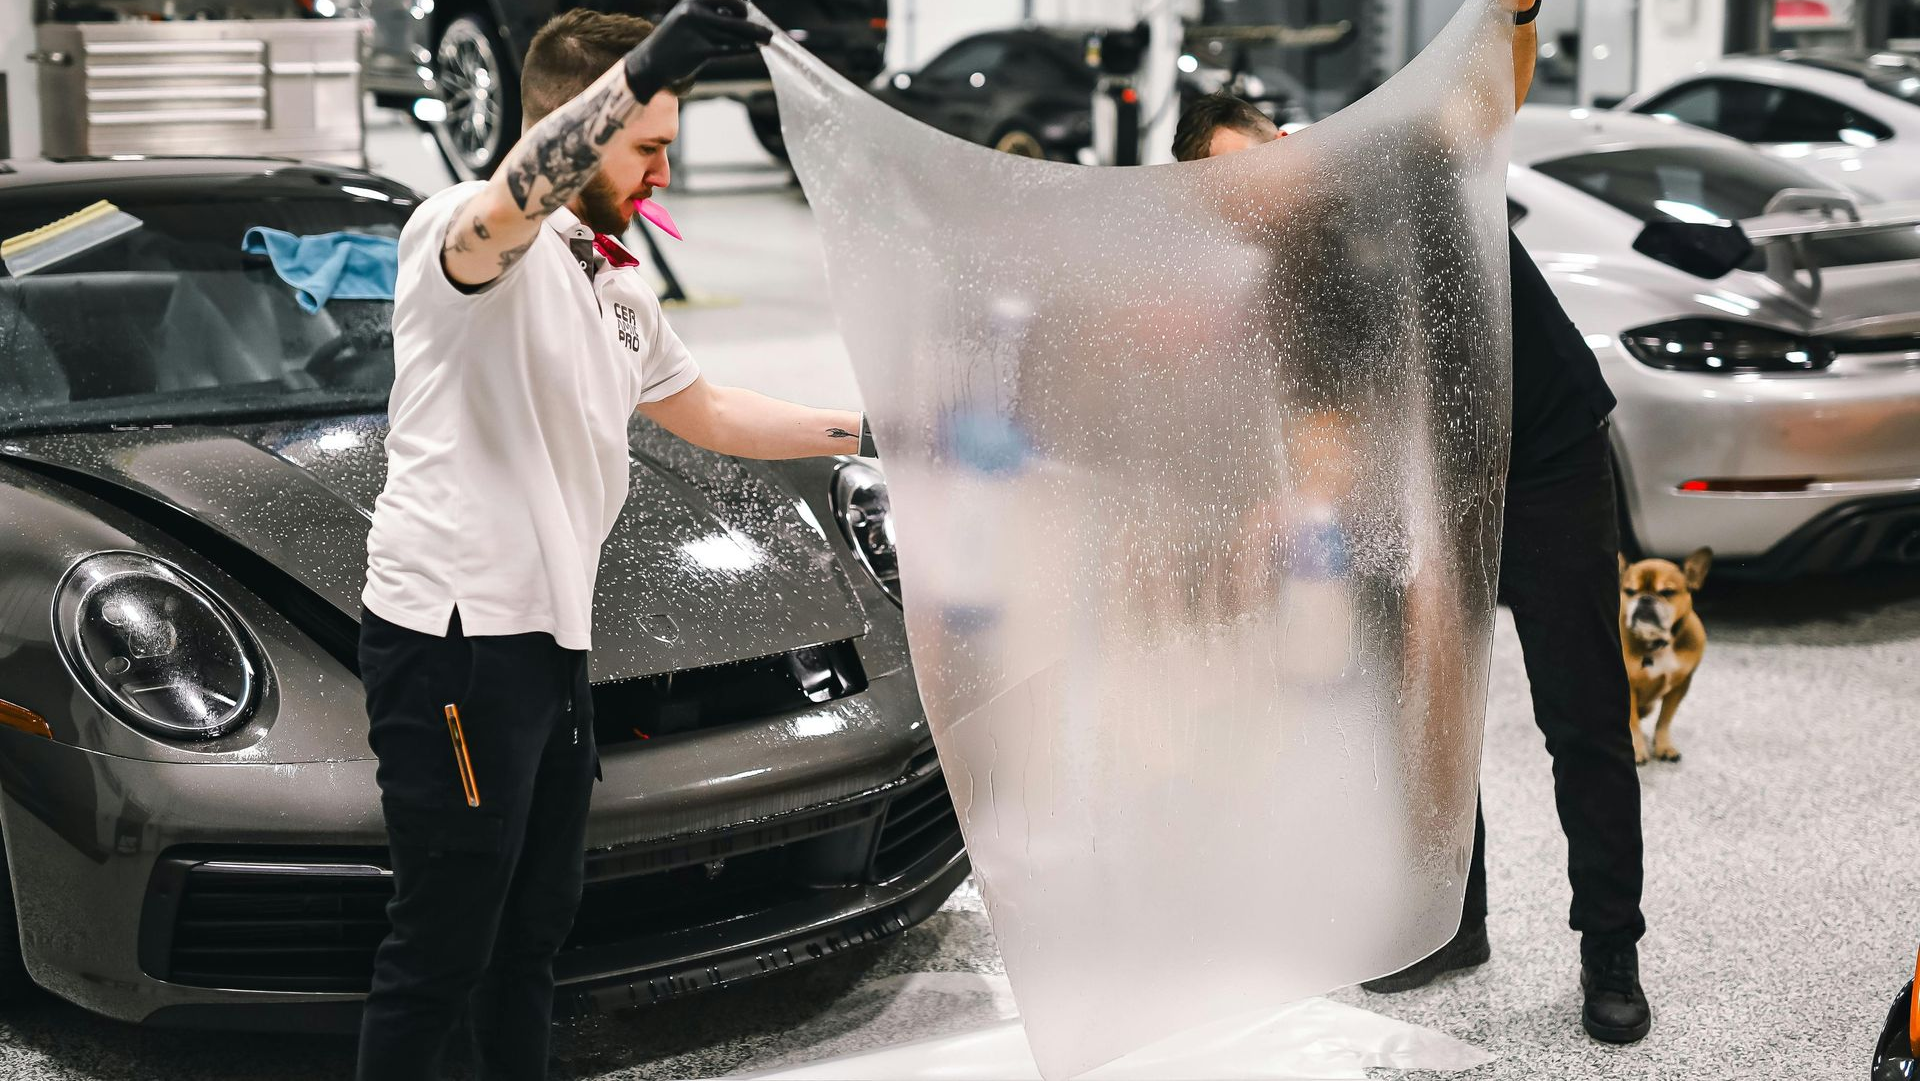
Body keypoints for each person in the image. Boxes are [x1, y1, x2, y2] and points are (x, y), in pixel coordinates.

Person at [354, 3, 877, 1077]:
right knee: (442, 946)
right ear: (582, 126)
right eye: (649, 147)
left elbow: (715, 412)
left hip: (551, 643)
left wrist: (883, 432)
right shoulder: (469, 234)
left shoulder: (618, 282)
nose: (664, 176)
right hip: (455, 639)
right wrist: (655, 60)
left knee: (534, 935)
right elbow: (517, 196)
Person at [1172, 0, 1652, 1046]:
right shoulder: (1289, 291)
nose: (1260, 191)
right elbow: (1332, 440)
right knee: (1428, 721)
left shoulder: (1395, 164)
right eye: (1233, 192)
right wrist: (1298, 523)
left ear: (1284, 143)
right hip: (1440, 485)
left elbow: (1490, 98)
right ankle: (1452, 921)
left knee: (1583, 714)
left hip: (1551, 456)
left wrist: (1518, 15)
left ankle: (1609, 946)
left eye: (1257, 162)